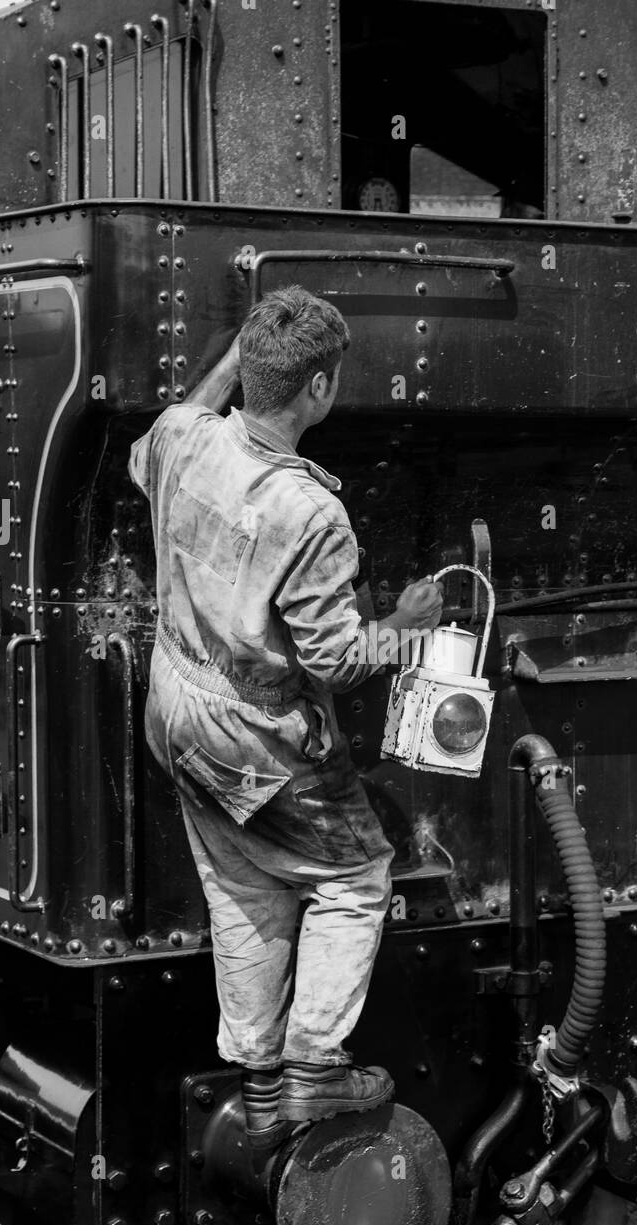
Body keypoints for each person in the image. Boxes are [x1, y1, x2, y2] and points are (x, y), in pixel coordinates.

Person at [129, 285, 443, 1149]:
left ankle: (261, 1081)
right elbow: (337, 662)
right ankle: (313, 1066)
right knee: (353, 878)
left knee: (243, 883)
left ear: (247, 372)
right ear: (319, 389)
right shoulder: (312, 513)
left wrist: (237, 353)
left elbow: (166, 428)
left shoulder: (183, 441)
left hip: (174, 709)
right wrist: (406, 626)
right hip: (254, 737)